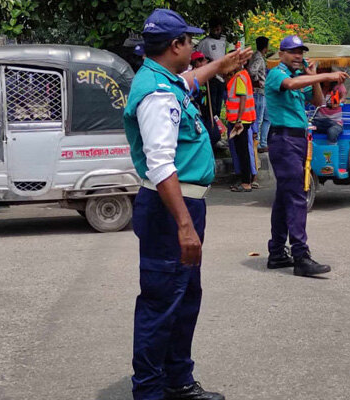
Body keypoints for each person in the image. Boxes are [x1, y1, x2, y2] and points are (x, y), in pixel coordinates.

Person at [123, 9, 252, 400]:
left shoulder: (162, 80)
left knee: (184, 297)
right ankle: (149, 391)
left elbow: (188, 79)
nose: (194, 46)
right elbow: (161, 164)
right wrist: (183, 224)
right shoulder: (158, 94)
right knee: (162, 302)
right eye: (189, 40)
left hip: (181, 206)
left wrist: (220, 65)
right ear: (175, 45)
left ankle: (177, 380)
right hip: (170, 211)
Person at [264, 35, 348, 277]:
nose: (298, 56)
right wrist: (326, 76)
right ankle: (301, 256)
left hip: (297, 139)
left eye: (300, 52)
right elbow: (290, 87)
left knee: (284, 197)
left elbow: (319, 101)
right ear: (281, 54)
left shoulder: (300, 77)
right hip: (284, 139)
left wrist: (314, 76)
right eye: (292, 52)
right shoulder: (277, 74)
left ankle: (278, 253)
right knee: (297, 197)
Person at [226, 64, 257, 192]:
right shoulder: (244, 75)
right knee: (243, 151)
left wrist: (238, 120)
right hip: (243, 119)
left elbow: (242, 98)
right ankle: (246, 180)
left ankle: (246, 182)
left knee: (242, 152)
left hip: (240, 121)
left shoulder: (239, 77)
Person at [197, 17, 227, 146]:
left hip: (221, 78)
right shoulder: (205, 42)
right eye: (215, 28)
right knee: (211, 108)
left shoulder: (223, 41)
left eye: (219, 28)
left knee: (218, 108)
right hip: (211, 78)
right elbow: (200, 59)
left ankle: (217, 134)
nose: (217, 30)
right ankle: (211, 134)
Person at [189, 51, 222, 148]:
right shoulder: (191, 75)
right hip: (197, 111)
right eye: (202, 61)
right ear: (196, 62)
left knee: (215, 135)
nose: (205, 63)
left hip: (207, 111)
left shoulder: (207, 76)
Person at [248, 36, 271, 153]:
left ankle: (263, 143)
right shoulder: (258, 58)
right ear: (265, 47)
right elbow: (252, 71)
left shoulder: (258, 56)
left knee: (267, 118)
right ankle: (256, 143)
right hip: (259, 91)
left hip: (263, 92)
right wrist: (257, 81)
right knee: (259, 119)